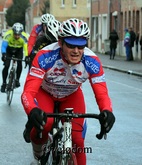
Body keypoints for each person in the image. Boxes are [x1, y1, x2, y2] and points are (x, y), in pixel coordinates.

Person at [21, 18, 115, 165]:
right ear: (60, 42)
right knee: (45, 124)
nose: (76, 51)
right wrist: (32, 110)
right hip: (45, 92)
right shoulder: (45, 56)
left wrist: (107, 111)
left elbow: (102, 93)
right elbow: (28, 93)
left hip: (71, 95)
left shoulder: (92, 61)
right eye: (71, 45)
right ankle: (38, 153)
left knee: (77, 140)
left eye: (81, 46)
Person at [0, 22, 28, 93]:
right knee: (6, 65)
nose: (17, 36)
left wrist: (27, 56)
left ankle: (17, 80)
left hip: (19, 50)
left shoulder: (24, 37)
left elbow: (26, 48)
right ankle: (3, 83)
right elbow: (4, 46)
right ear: (13, 32)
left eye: (19, 35)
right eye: (15, 34)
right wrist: (3, 54)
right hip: (9, 49)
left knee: (19, 64)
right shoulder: (8, 35)